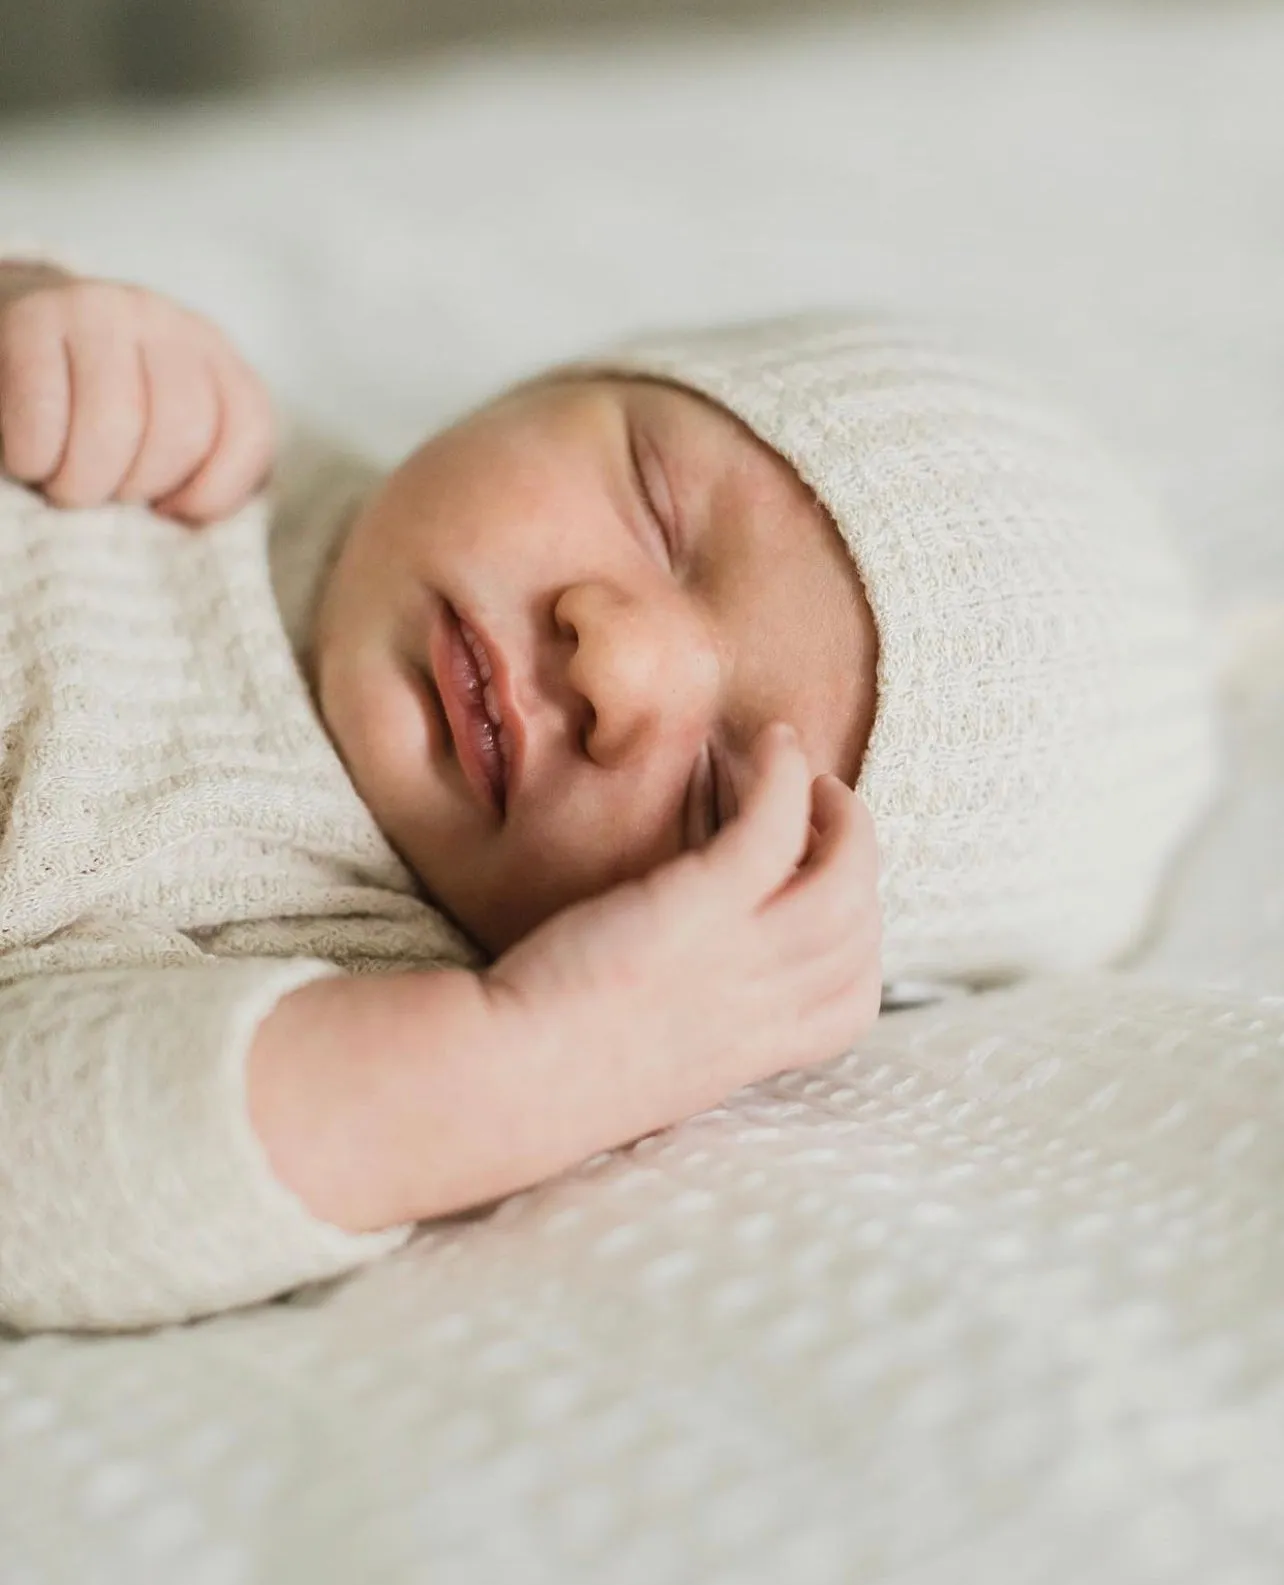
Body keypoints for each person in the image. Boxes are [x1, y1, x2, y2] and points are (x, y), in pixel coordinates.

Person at [0, 258, 1219, 1331]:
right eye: (661, 510)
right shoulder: (213, 435)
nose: (618, 665)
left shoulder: (354, 988)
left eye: (710, 800)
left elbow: (56, 1171)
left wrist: (534, 1060)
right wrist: (43, 324)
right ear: (562, 380)